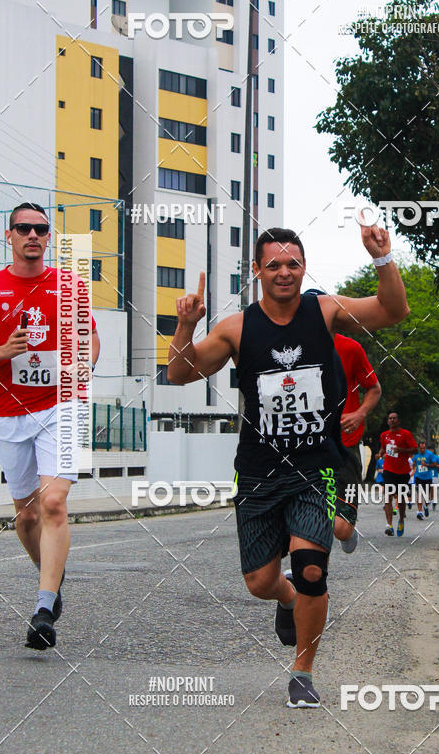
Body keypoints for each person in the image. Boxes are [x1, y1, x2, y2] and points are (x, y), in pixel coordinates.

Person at [167, 224, 408, 708]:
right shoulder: (236, 328)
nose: (284, 272)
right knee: (260, 582)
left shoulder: (326, 311)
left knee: (311, 568)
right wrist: (187, 326)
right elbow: (179, 373)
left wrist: (382, 258)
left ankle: (302, 671)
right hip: (259, 472)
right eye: (273, 264)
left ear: (304, 268)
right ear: (256, 270)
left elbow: (392, 310)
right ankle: (287, 597)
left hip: (314, 467)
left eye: (292, 263)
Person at [0, 202, 99, 650]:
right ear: (9, 236)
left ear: (49, 237)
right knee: (27, 515)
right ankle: (52, 576)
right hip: (10, 411)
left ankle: (44, 608)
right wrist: (0, 353)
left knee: (53, 502)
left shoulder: (69, 285)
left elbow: (89, 336)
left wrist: (86, 363)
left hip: (63, 406)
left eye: (41, 229)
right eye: (23, 228)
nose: (32, 235)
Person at [302, 294, 382, 556]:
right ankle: (310, 569)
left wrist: (359, 414)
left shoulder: (350, 348)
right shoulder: (290, 350)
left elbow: (374, 388)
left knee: (341, 529)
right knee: (309, 514)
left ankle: (348, 527)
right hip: (304, 444)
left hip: (344, 444)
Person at [378, 413, 418, 537]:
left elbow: (415, 449)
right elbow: (383, 449)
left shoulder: (405, 434)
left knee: (401, 499)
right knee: (388, 496)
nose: (392, 420)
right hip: (388, 470)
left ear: (398, 420)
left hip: (403, 471)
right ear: (388, 421)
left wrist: (401, 450)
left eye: (394, 418)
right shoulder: (384, 435)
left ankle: (401, 519)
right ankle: (389, 525)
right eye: (390, 418)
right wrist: (380, 454)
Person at [410, 441, 439, 517]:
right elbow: (414, 462)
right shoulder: (416, 454)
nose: (422, 449)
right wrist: (413, 465)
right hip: (418, 476)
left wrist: (426, 465)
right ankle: (419, 511)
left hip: (428, 477)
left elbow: (435, 464)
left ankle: (426, 506)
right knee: (419, 494)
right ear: (419, 448)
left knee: (427, 496)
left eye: (424, 448)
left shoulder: (430, 454)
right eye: (421, 448)